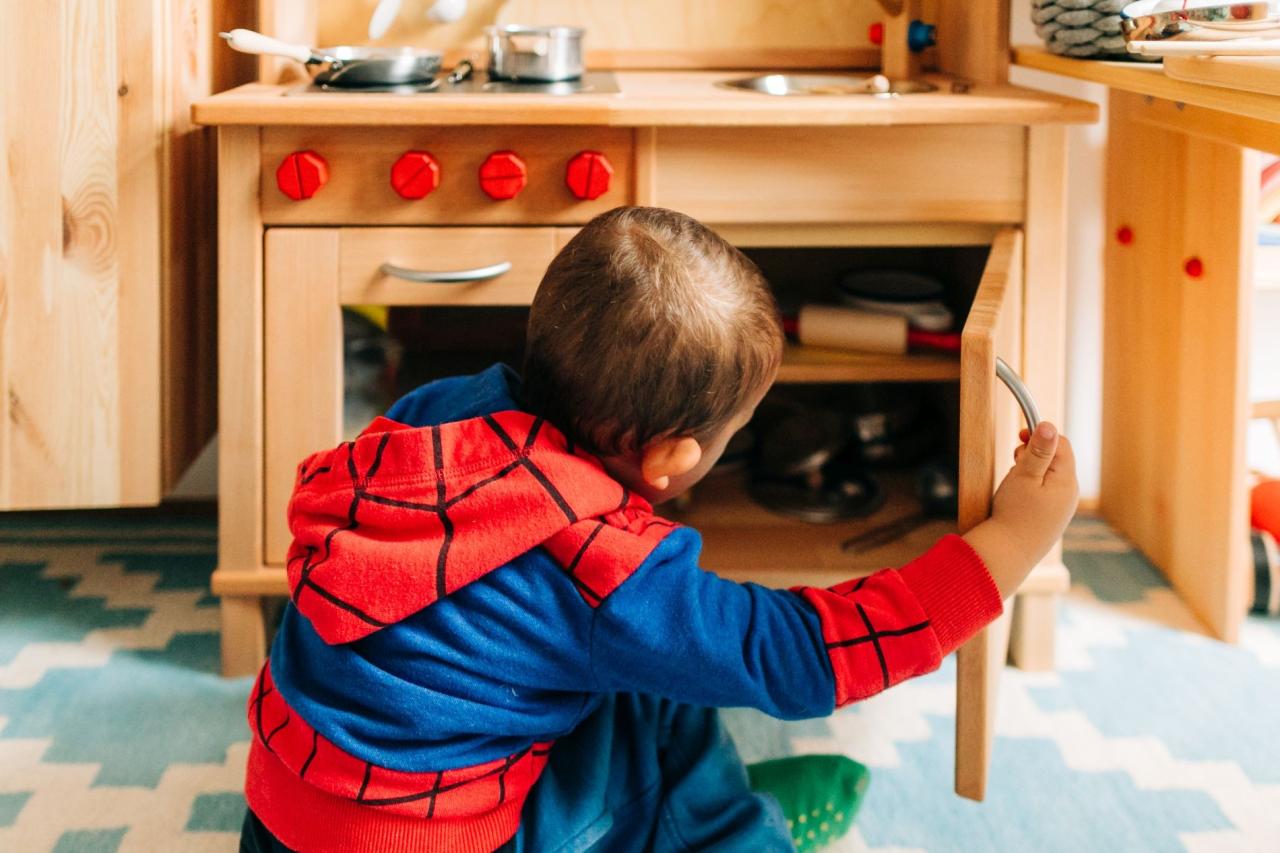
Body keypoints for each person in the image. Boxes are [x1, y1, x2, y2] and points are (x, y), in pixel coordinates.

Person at [239, 206, 1078, 853]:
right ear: (674, 459)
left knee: (638, 662)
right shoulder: (609, 574)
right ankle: (735, 834)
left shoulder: (436, 415)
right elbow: (803, 654)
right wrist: (1008, 546)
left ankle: (716, 811)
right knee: (655, 693)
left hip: (275, 821)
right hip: (438, 839)